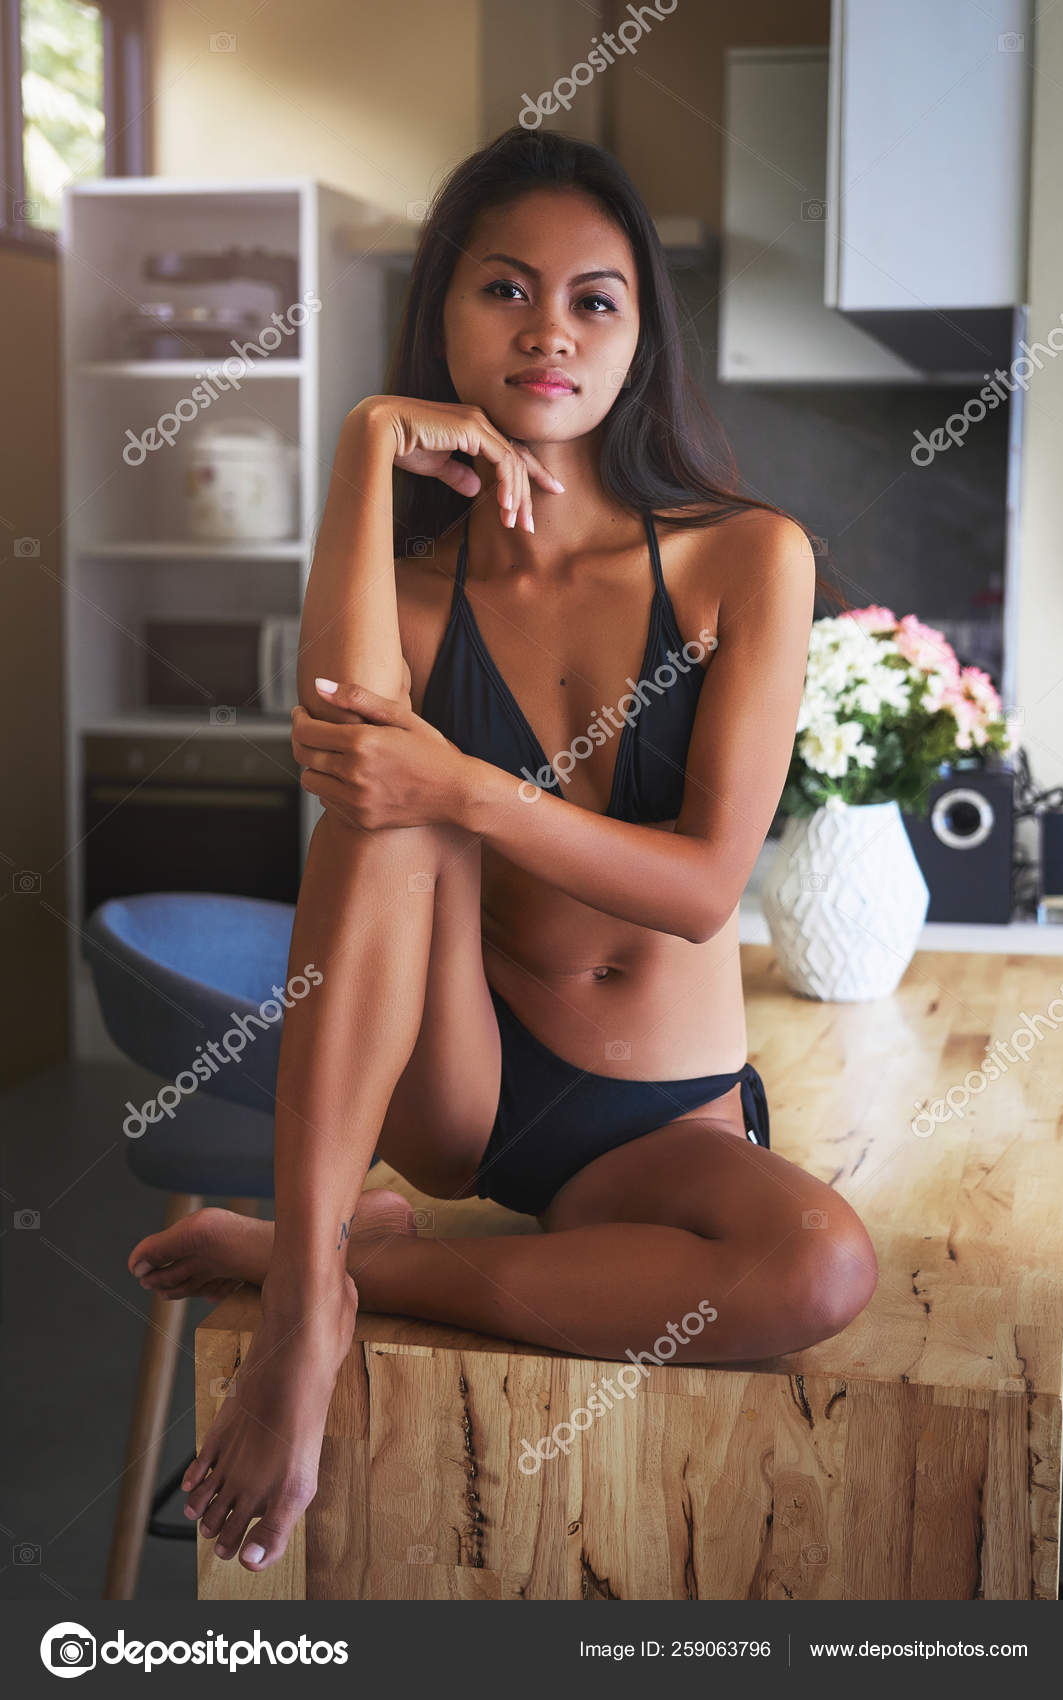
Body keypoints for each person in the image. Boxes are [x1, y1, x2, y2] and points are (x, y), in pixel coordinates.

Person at [127, 126, 877, 1575]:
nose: (551, 331)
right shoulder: (411, 592)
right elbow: (354, 760)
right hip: (461, 1087)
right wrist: (364, 444)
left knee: (820, 1265)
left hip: (664, 1125)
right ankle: (304, 1309)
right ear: (445, 316)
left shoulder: (742, 558)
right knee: (383, 791)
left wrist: (470, 789)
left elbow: (709, 884)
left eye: (596, 298)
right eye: (505, 290)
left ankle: (348, 1261)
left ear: (641, 332)